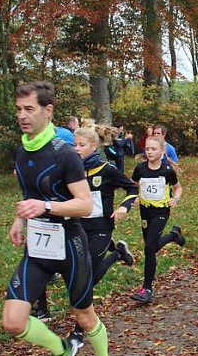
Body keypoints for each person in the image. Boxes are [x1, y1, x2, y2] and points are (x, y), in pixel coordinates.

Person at [3, 81, 116, 356]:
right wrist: (19, 218)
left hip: (69, 243)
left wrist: (47, 206)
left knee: (83, 315)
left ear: (47, 110)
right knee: (13, 320)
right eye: (19, 110)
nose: (22, 116)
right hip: (38, 244)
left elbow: (85, 204)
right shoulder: (21, 149)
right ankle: (60, 349)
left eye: (29, 109)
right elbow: (30, 192)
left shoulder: (64, 153)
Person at [35, 125, 138, 330]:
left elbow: (133, 188)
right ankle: (116, 255)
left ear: (94, 146)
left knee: (85, 277)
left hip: (100, 228)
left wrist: (124, 207)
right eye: (74, 145)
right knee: (78, 273)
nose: (77, 149)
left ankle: (81, 326)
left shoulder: (106, 170)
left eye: (81, 145)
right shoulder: (72, 171)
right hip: (76, 227)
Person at [130, 136, 186, 303]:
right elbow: (132, 185)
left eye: (153, 149)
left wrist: (175, 199)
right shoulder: (140, 168)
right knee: (151, 247)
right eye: (147, 149)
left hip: (161, 211)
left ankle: (146, 288)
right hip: (145, 211)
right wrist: (134, 197)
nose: (149, 152)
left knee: (149, 249)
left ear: (162, 151)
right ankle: (173, 236)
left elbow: (178, 188)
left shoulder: (167, 170)